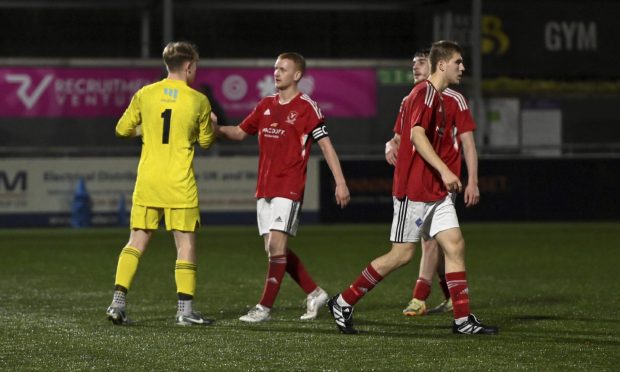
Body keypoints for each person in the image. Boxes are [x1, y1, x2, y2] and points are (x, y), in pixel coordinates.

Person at [328, 40, 497, 335]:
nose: (463, 67)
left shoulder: (439, 96)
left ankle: (462, 319)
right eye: (458, 62)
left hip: (436, 192)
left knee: (455, 245)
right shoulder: (423, 94)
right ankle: (344, 301)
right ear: (442, 64)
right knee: (402, 255)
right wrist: (445, 171)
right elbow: (417, 136)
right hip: (414, 190)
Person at [212, 52, 350, 323]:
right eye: (275, 68)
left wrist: (340, 182)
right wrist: (214, 129)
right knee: (276, 250)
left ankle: (263, 308)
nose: (276, 73)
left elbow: (326, 147)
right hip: (264, 188)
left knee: (276, 246)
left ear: (297, 75)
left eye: (283, 69)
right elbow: (239, 133)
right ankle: (315, 292)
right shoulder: (265, 105)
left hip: (289, 186)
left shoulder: (307, 107)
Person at [106, 41, 216, 326]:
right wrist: (210, 124)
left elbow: (121, 129)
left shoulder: (145, 94)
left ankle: (117, 303)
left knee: (136, 241)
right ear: (189, 66)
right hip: (179, 183)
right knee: (185, 244)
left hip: (148, 181)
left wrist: (148, 128)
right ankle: (185, 311)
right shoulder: (198, 100)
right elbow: (206, 141)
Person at [385, 49, 480, 317]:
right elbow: (399, 137)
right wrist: (387, 146)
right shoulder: (412, 98)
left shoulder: (454, 99)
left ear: (436, 66)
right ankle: (453, 299)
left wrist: (471, 180)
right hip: (420, 181)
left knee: (434, 242)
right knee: (437, 243)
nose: (415, 69)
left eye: (421, 64)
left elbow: (468, 143)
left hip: (443, 181)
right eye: (413, 65)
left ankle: (420, 297)